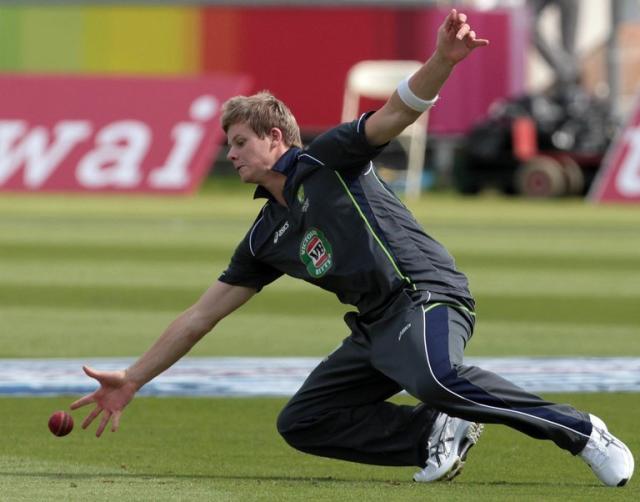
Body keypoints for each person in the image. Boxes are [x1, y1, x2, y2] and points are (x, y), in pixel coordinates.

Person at [71, 10, 633, 487]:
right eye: (229, 145)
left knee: (436, 379)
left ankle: (581, 431)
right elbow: (200, 316)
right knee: (305, 422)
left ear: (275, 138)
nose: (233, 154)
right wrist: (135, 377)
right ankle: (431, 433)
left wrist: (443, 60)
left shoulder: (326, 158)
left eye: (241, 142)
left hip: (425, 294)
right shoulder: (266, 235)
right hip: (376, 327)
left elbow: (399, 111)